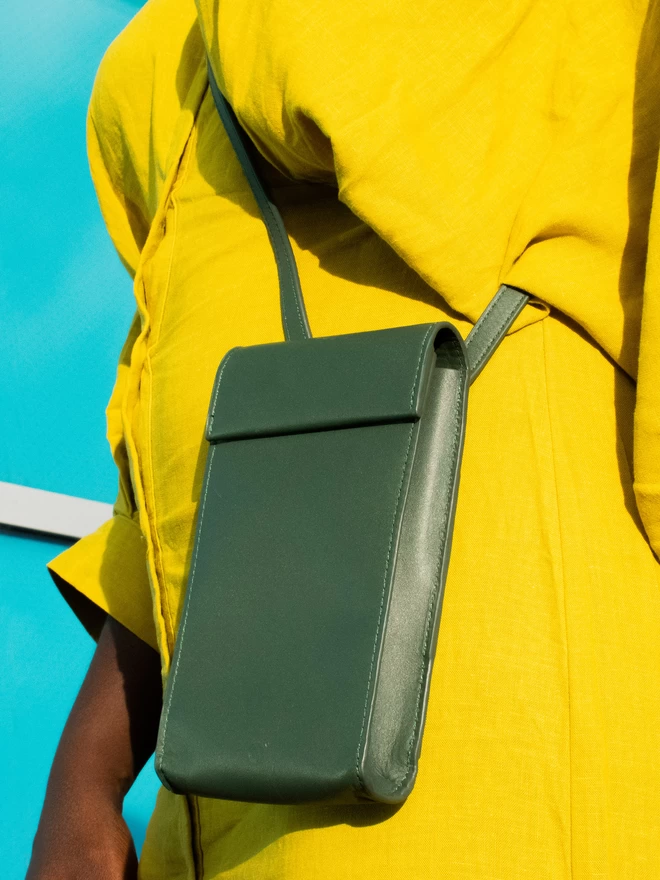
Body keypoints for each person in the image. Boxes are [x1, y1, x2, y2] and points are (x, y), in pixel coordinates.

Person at [27, 0, 660, 877]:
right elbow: (177, 470)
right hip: (226, 791)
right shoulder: (161, 63)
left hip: (520, 761)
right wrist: (87, 779)